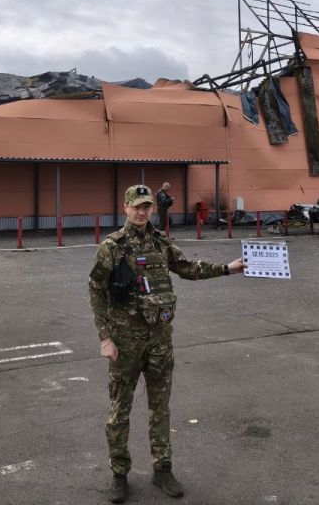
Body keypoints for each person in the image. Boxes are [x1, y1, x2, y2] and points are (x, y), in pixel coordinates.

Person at [88, 185, 244, 503]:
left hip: (160, 341)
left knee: (160, 408)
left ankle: (163, 469)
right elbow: (95, 289)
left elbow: (186, 268)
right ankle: (119, 473)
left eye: (146, 206)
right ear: (125, 207)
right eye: (136, 206)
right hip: (125, 345)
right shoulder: (112, 246)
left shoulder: (161, 242)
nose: (142, 212)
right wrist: (105, 338)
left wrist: (227, 269)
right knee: (119, 411)